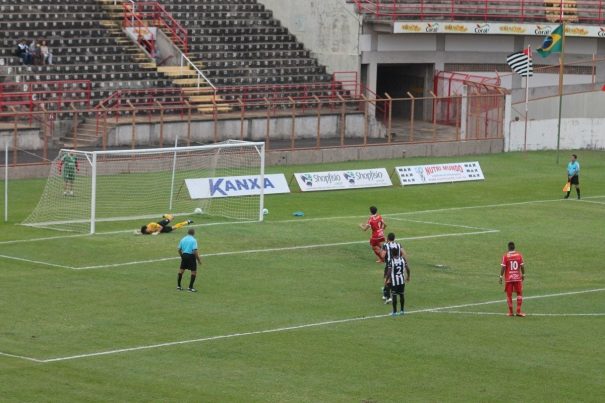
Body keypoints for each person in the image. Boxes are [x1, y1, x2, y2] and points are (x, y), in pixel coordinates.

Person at [381, 233, 410, 316]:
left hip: (390, 265)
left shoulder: (385, 245)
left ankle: (387, 296)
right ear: (394, 238)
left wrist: (383, 257)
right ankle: (402, 310)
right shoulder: (398, 244)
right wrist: (404, 261)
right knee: (401, 294)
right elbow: (404, 253)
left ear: (388, 238)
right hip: (401, 277)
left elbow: (382, 255)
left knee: (387, 279)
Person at [500, 241, 526, 317]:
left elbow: (503, 267)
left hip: (509, 279)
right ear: (514, 247)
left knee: (509, 295)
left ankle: (511, 312)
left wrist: (500, 277)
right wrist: (523, 274)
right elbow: (522, 266)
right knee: (519, 293)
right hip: (517, 278)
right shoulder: (519, 255)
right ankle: (518, 311)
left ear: (508, 248)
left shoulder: (505, 256)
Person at [177, 228, 202, 292]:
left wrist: (182, 256)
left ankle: (179, 286)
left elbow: (179, 249)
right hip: (191, 256)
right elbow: (194, 251)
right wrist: (198, 260)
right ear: (193, 233)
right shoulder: (193, 240)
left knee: (181, 271)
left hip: (184, 255)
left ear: (187, 232)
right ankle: (190, 288)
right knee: (193, 271)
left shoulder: (183, 239)